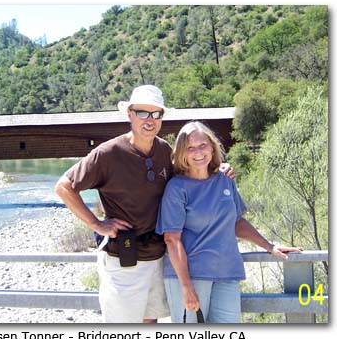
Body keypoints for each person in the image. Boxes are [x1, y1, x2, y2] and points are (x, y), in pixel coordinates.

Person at [54, 85, 233, 323]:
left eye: (155, 114)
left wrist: (217, 170)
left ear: (161, 118)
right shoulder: (108, 153)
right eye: (142, 113)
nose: (149, 120)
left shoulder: (163, 150)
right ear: (130, 114)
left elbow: (189, 174)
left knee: (151, 322)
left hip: (158, 257)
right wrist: (97, 224)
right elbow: (64, 187)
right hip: (123, 260)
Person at [155, 121, 302, 323]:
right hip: (191, 276)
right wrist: (186, 287)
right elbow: (172, 240)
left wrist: (270, 246)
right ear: (182, 152)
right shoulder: (176, 188)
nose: (198, 152)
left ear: (212, 146)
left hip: (227, 272)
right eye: (190, 147)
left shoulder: (225, 180)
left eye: (203, 145)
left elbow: (237, 223)